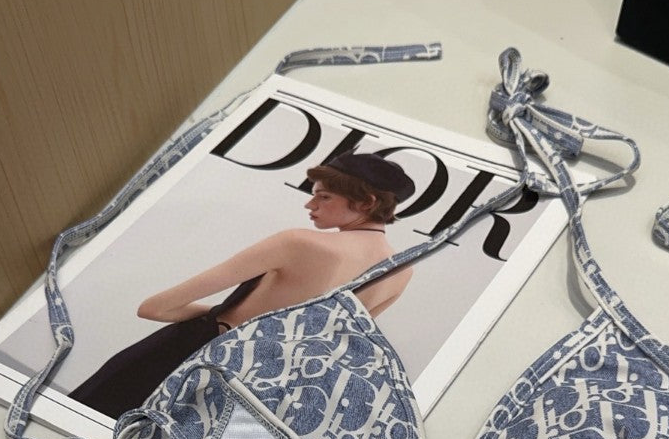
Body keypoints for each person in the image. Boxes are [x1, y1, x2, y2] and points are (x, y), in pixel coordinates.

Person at [68, 153, 416, 418]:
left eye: (323, 197)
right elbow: (328, 352)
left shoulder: (299, 243)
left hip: (183, 359)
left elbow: (155, 307)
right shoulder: (400, 273)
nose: (310, 204)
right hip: (245, 397)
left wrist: (224, 315)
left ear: (367, 202)